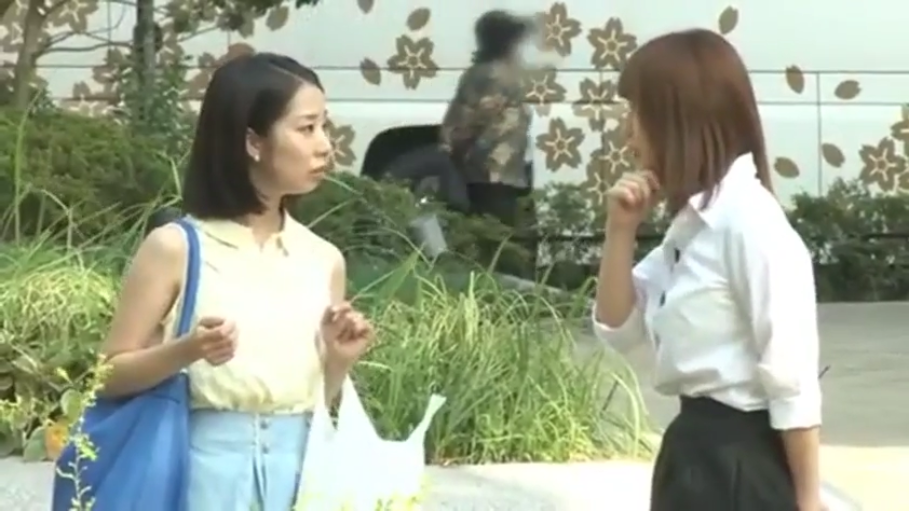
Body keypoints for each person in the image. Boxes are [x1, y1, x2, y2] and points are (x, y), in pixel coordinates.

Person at [98, 52, 374, 511]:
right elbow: (106, 376)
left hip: (299, 477)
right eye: (307, 128)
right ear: (253, 142)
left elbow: (314, 404)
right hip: (199, 476)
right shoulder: (176, 248)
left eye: (324, 126)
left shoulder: (324, 259)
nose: (325, 146)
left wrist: (338, 361)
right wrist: (186, 350)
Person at [592, 30, 823, 511]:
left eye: (637, 113)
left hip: (739, 464)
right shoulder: (695, 226)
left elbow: (791, 377)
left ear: (678, 119)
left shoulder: (748, 223)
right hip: (692, 452)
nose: (627, 135)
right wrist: (621, 231)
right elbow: (618, 328)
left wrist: (808, 500)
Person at [440, 10, 535, 274]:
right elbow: (477, 119)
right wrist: (471, 148)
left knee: (489, 231)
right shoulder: (496, 75)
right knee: (496, 234)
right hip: (492, 169)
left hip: (490, 168)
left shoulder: (484, 72)